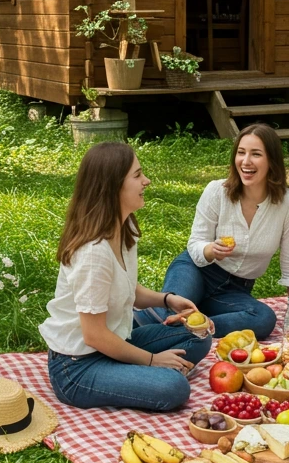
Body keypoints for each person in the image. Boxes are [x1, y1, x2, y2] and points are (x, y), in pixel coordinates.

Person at [41, 142, 212, 412]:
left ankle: (131, 373)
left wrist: (168, 299)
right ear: (112, 186)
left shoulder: (124, 226)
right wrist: (152, 360)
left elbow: (127, 287)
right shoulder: (93, 254)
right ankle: (140, 375)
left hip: (118, 341)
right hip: (78, 367)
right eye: (137, 175)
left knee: (198, 336)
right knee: (173, 388)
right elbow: (94, 335)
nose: (147, 181)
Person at [152, 124, 289, 341]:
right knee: (171, 311)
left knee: (263, 319)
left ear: (272, 161)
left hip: (233, 291)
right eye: (241, 153)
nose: (246, 161)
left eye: (256, 154)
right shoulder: (217, 191)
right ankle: (168, 328)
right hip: (196, 270)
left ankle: (198, 324)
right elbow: (195, 243)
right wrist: (210, 250)